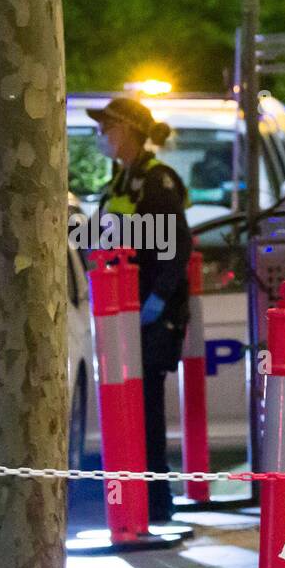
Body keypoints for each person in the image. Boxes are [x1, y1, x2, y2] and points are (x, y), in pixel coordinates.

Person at [88, 96, 193, 525]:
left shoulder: (157, 179)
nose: (102, 136)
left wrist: (157, 302)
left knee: (147, 407)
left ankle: (156, 500)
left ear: (128, 129)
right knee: (128, 408)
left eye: (107, 128)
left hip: (151, 314)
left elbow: (177, 247)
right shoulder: (119, 180)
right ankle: (134, 496)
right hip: (121, 313)